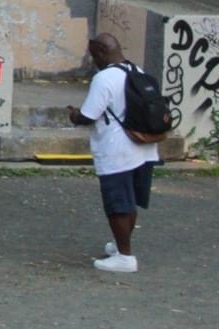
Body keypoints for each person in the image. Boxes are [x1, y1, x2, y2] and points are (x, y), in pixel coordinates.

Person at [67, 32, 162, 273]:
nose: (93, 61)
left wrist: (74, 115)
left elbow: (89, 115)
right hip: (145, 147)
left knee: (117, 204)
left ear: (101, 52)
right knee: (130, 202)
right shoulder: (137, 70)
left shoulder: (103, 78)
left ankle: (125, 257)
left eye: (93, 56)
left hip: (116, 150)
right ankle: (120, 245)